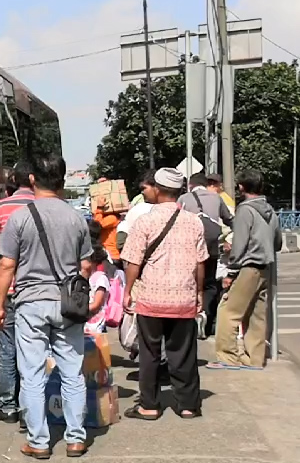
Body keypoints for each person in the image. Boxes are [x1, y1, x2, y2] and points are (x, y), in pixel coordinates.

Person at [0, 154, 95, 460]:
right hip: (66, 304)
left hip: (30, 304)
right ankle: (76, 439)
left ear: (33, 179)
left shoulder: (20, 218)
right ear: (62, 181)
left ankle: (38, 442)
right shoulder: (76, 217)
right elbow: (86, 265)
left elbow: (7, 265)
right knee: (72, 373)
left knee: (33, 374)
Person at [121, 168, 208, 421]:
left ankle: (149, 405)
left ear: (157, 189)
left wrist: (127, 291)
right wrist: (199, 292)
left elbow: (133, 263)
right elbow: (200, 263)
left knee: (149, 353)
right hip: (183, 296)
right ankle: (188, 405)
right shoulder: (194, 221)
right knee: (183, 353)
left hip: (151, 298)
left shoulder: (144, 221)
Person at [0, 160, 35, 426]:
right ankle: (31, 406)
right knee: (34, 350)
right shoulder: (45, 206)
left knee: (7, 351)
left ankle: (8, 407)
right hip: (37, 291)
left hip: (8, 290)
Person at [211, 170, 282, 370]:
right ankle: (255, 359)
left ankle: (227, 357)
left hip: (248, 267)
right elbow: (277, 242)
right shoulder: (270, 210)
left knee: (228, 311)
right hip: (265, 268)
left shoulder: (245, 210)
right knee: (257, 315)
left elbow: (240, 244)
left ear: (241, 187)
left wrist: (231, 272)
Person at [180, 172, 233, 339]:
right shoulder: (216, 198)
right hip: (211, 248)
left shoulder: (184, 199)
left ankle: (190, 320)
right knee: (210, 284)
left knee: (190, 283)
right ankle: (206, 317)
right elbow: (229, 219)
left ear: (190, 185)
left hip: (189, 251)